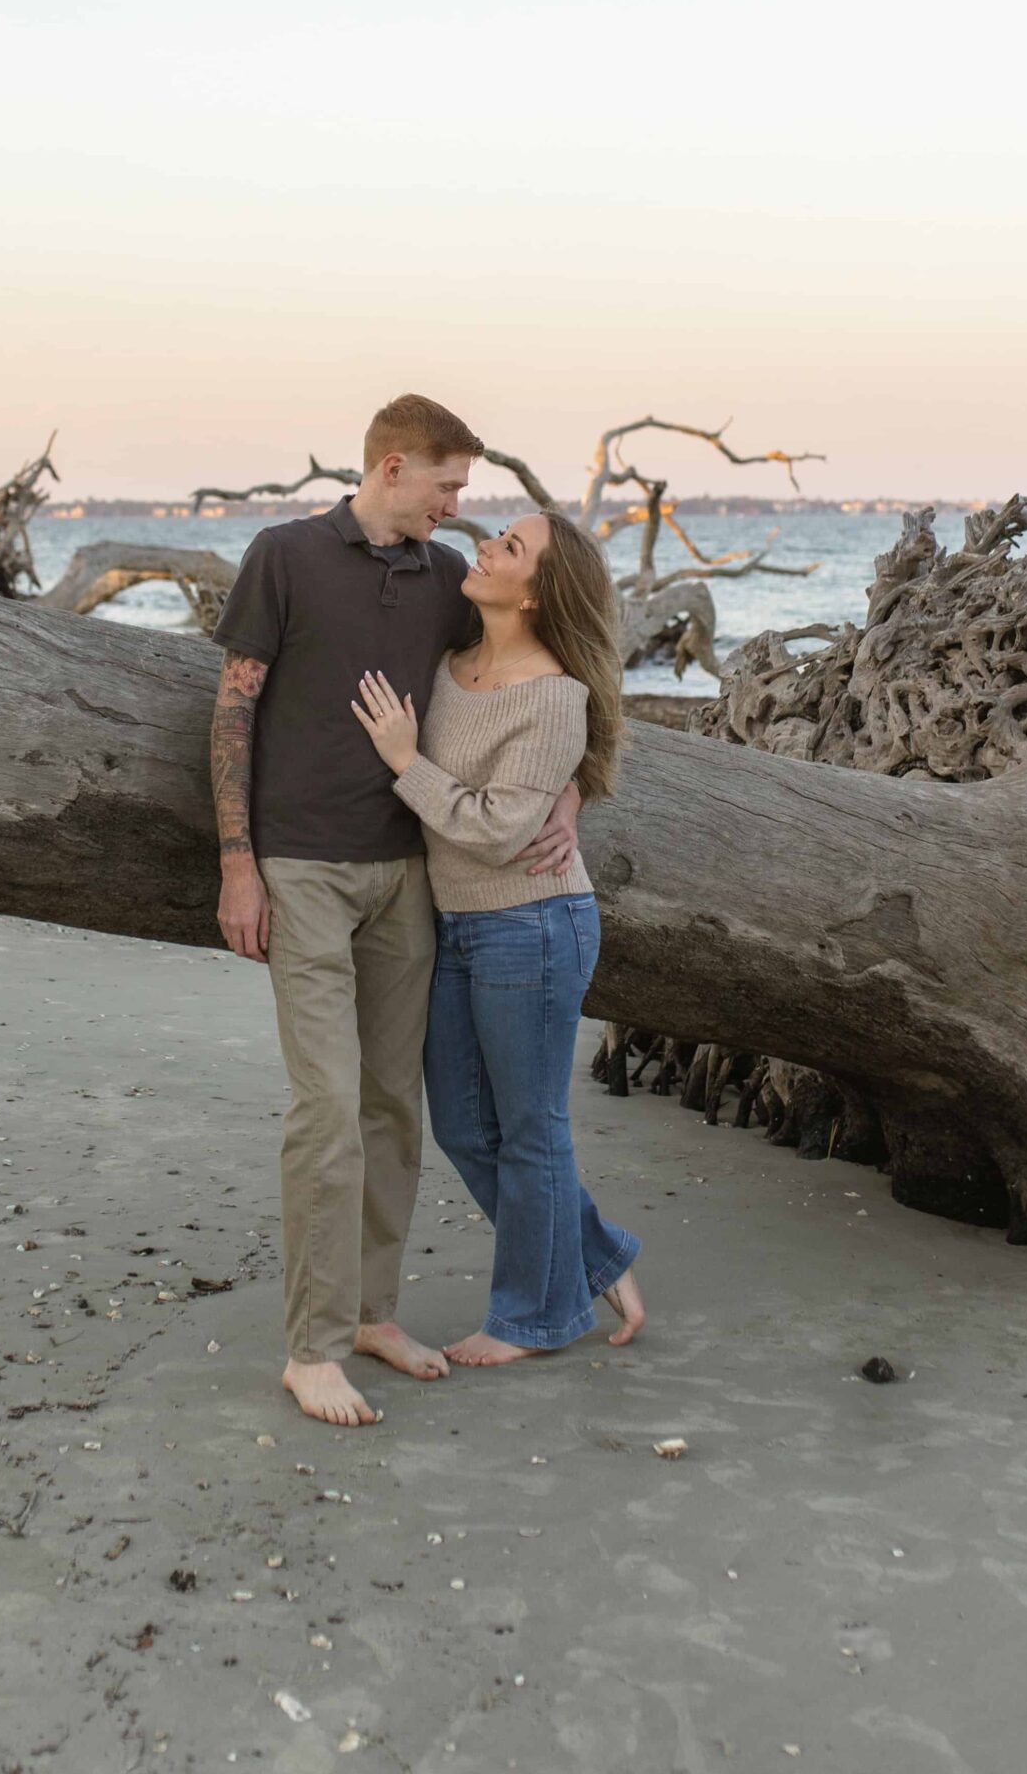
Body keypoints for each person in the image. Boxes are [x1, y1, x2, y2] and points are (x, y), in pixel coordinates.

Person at [209, 396, 582, 1427]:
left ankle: (371, 1310)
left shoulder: (446, 583)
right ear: (390, 467)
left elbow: (543, 666)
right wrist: (239, 863)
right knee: (326, 1113)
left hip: (409, 878)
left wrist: (570, 787)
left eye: (466, 492)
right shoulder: (283, 556)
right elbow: (234, 707)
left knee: (390, 1112)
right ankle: (312, 1347)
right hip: (303, 871)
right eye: (447, 485)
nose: (460, 506)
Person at [351, 506, 644, 1363]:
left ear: (537, 593)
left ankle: (534, 1319)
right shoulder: (451, 659)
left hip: (536, 926)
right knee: (465, 1128)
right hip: (459, 925)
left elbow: (496, 831)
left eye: (509, 547)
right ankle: (593, 1255)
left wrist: (407, 762)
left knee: (530, 1127)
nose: (483, 545)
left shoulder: (556, 697)